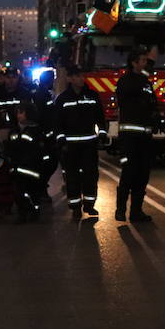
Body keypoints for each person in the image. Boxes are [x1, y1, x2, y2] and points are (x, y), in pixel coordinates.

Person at [114, 47, 162, 222]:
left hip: (145, 137)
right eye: (142, 60)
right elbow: (130, 98)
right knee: (128, 173)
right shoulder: (126, 81)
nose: (144, 63)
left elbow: (152, 104)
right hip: (129, 137)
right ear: (134, 63)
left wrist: (156, 118)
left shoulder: (146, 82)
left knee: (142, 175)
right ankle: (120, 210)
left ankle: (136, 211)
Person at [54, 65, 107, 220]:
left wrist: (102, 133)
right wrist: (61, 139)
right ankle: (75, 207)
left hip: (89, 144)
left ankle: (89, 205)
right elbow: (57, 122)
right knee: (72, 177)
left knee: (91, 175)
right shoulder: (63, 99)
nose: (81, 79)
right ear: (70, 78)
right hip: (70, 146)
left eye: (82, 76)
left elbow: (100, 117)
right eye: (77, 76)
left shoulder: (92, 95)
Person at [7, 103, 44, 223]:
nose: (19, 115)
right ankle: (22, 213)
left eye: (21, 112)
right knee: (19, 192)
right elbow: (10, 147)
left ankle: (34, 211)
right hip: (17, 167)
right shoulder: (14, 130)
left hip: (31, 168)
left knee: (33, 191)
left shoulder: (35, 130)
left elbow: (38, 149)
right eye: (17, 113)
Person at [32, 69, 59, 202]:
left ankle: (41, 187)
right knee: (47, 164)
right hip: (43, 137)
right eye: (52, 79)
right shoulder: (41, 95)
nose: (53, 81)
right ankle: (41, 188)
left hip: (48, 137)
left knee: (51, 163)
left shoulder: (46, 94)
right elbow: (42, 116)